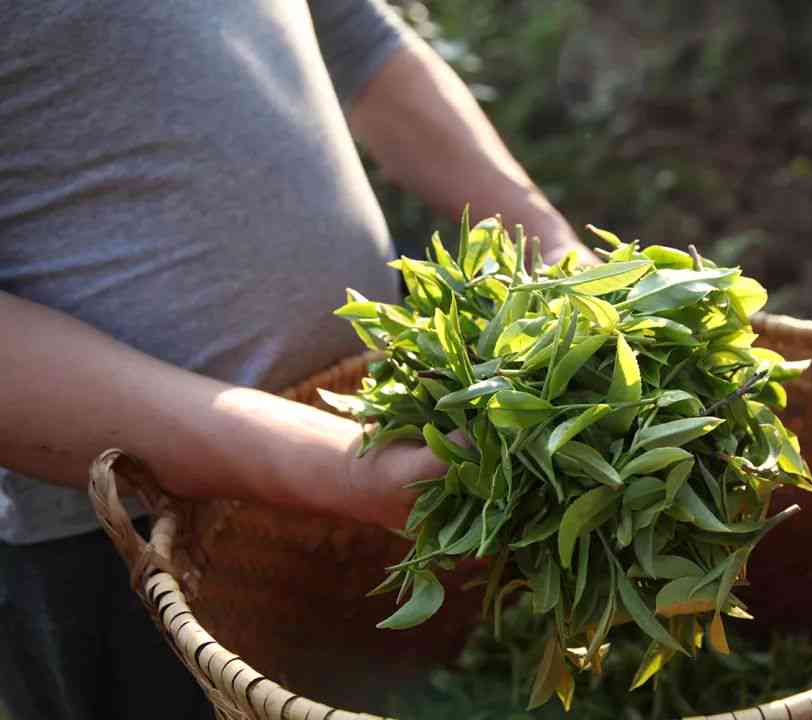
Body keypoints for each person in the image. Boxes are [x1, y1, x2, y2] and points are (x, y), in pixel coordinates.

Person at [0, 1, 594, 717]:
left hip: (385, 449)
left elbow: (355, 34)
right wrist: (338, 466)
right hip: (138, 550)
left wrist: (553, 250)